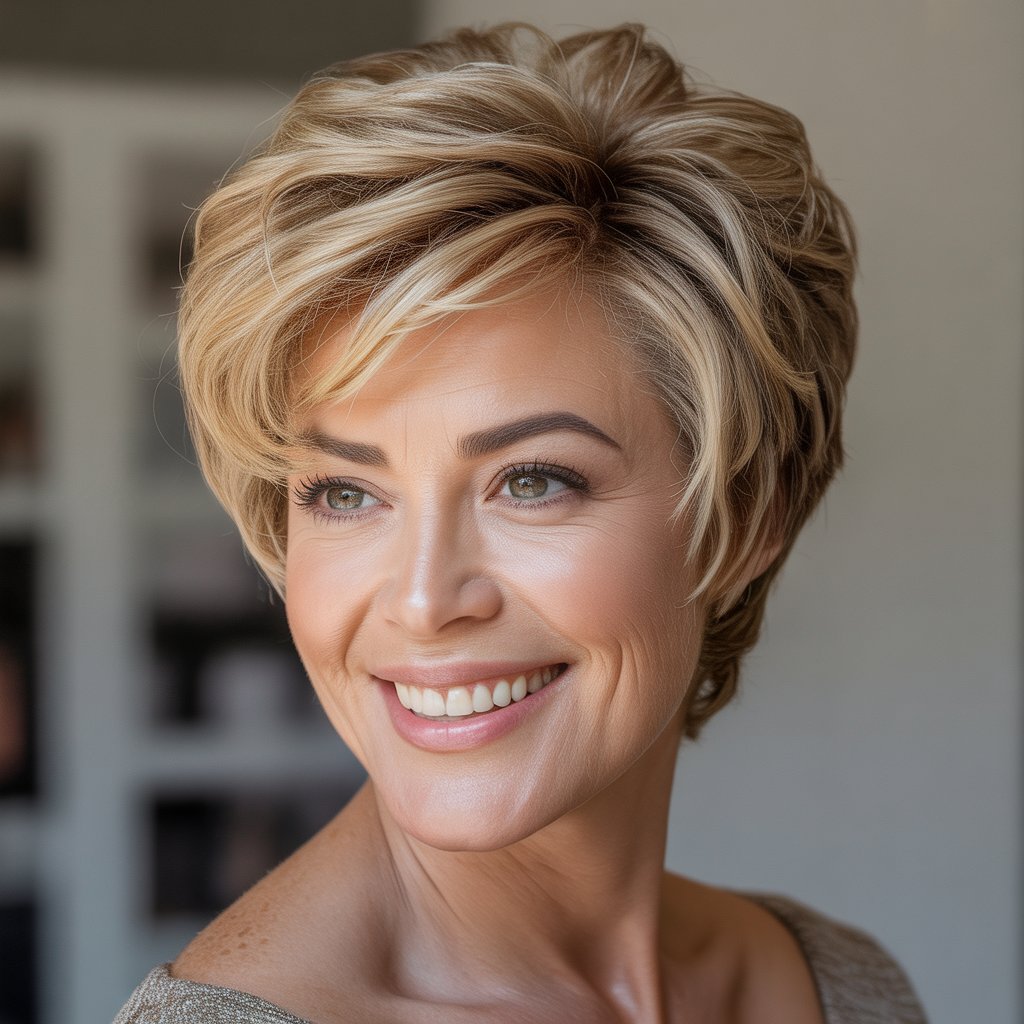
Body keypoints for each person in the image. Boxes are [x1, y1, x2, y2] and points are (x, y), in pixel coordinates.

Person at [115, 23, 927, 1024]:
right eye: (344, 491)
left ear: (747, 512)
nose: (422, 600)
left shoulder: (838, 988)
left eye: (531, 481)